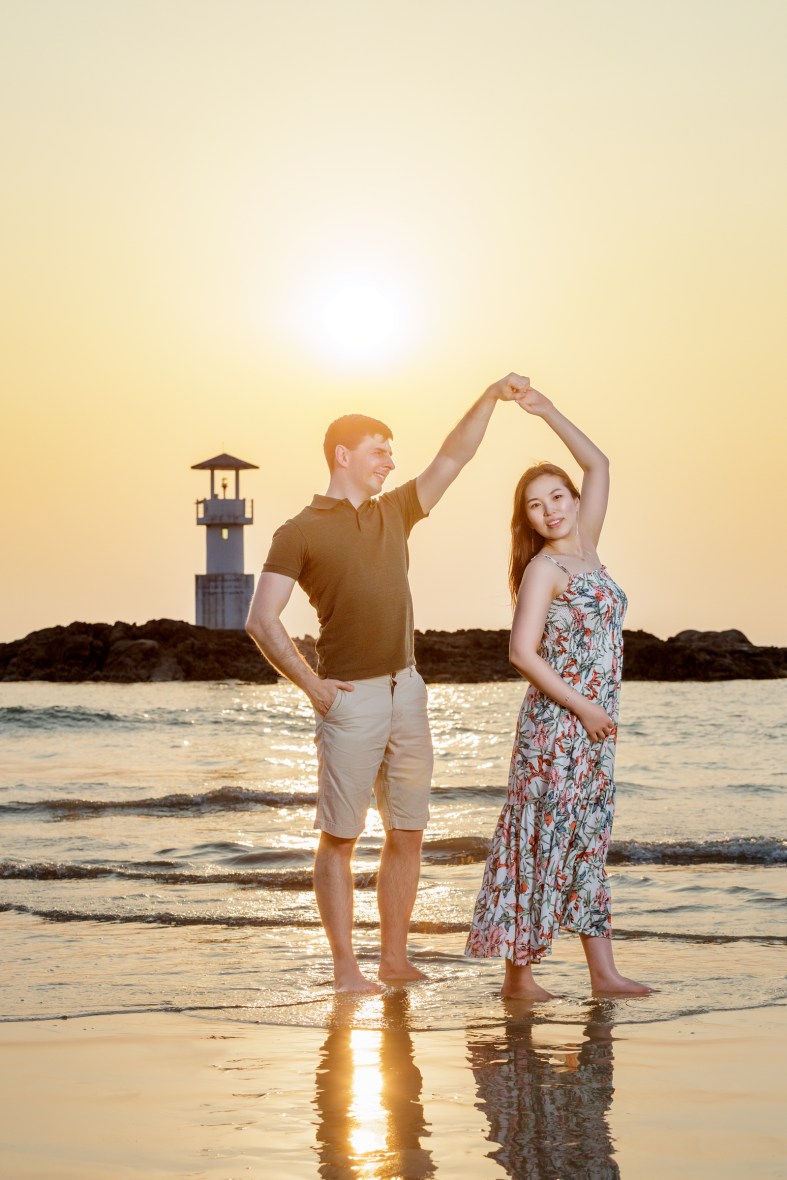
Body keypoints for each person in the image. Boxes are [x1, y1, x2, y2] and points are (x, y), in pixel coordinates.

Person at [246, 373, 530, 993]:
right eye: (379, 451)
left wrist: (488, 397)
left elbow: (455, 455)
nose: (391, 462)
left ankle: (394, 961)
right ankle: (347, 969)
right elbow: (260, 620)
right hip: (350, 697)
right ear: (343, 455)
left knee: (408, 831)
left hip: (409, 691)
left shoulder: (395, 511)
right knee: (340, 837)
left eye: (392, 452)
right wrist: (314, 688)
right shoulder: (298, 531)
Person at [465, 384, 652, 998]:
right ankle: (518, 978)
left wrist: (545, 412)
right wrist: (585, 707)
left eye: (557, 497)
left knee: (586, 841)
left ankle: (603, 973)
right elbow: (521, 653)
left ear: (572, 500)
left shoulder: (589, 550)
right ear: (527, 521)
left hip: (594, 729)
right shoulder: (544, 569)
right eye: (535, 507)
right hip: (559, 728)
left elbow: (599, 462)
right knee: (543, 839)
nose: (550, 511)